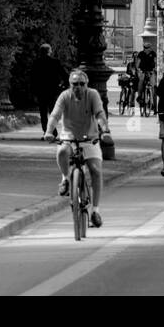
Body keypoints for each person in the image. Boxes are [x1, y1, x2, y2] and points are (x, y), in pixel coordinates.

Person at [43, 69, 109, 228]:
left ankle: (95, 211)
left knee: (96, 170)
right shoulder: (65, 96)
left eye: (81, 84)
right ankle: (66, 179)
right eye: (74, 84)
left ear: (87, 84)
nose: (78, 87)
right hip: (69, 138)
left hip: (89, 139)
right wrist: (49, 131)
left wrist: (105, 130)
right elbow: (55, 115)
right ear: (69, 85)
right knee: (61, 151)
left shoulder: (92, 95)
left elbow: (100, 114)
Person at [31, 43, 67, 135]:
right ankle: (52, 130)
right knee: (53, 112)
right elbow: (64, 74)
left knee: (43, 112)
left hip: (41, 90)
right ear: (49, 51)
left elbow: (33, 78)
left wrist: (34, 91)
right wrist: (65, 85)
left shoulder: (36, 62)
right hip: (53, 90)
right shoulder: (55, 62)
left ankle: (46, 130)